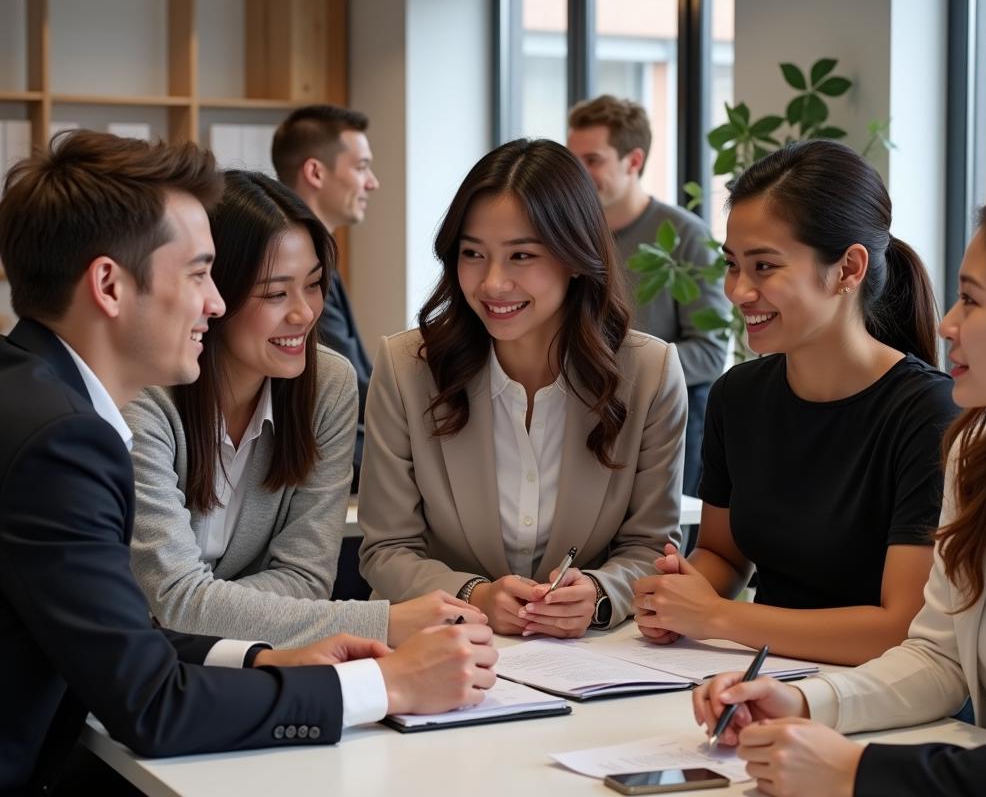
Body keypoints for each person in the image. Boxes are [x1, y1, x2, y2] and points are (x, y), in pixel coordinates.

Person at [0, 131, 496, 797]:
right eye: (201, 275)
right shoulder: (64, 441)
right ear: (109, 285)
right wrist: (386, 684)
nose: (213, 300)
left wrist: (266, 654)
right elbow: (155, 706)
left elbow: (136, 640)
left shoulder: (35, 394)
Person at [692, 188, 986, 797]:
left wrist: (856, 773)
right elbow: (939, 657)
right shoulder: (978, 456)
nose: (948, 323)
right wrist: (803, 700)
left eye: (974, 300)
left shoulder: (928, 418)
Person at [125, 170, 484, 649]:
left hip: (250, 661)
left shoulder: (326, 385)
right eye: (275, 293)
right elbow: (174, 600)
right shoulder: (144, 393)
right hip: (132, 677)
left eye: (314, 285)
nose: (304, 313)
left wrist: (202, 609)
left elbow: (306, 578)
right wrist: (378, 623)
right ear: (214, 295)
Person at [632, 140, 958, 665]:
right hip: (758, 678)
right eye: (733, 265)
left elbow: (900, 628)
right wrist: (677, 595)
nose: (738, 291)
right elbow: (722, 553)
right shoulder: (737, 395)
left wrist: (717, 616)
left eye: (764, 266)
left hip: (886, 706)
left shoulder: (929, 412)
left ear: (849, 269)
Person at [358, 138, 687, 636]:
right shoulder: (407, 367)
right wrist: (476, 595)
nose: (492, 283)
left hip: (589, 658)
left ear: (576, 258)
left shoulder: (650, 373)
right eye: (473, 253)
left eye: (521, 256)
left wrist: (598, 593)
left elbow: (650, 545)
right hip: (440, 643)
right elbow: (387, 549)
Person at [567, 95, 730, 499]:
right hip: (582, 416)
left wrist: (619, 371)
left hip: (667, 422)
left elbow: (709, 354)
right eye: (574, 161)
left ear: (634, 161)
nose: (579, 174)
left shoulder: (685, 236)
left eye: (593, 160)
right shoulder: (567, 237)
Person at [271, 104, 376, 480]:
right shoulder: (297, 268)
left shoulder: (320, 256)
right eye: (362, 167)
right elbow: (340, 386)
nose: (372, 182)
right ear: (315, 171)